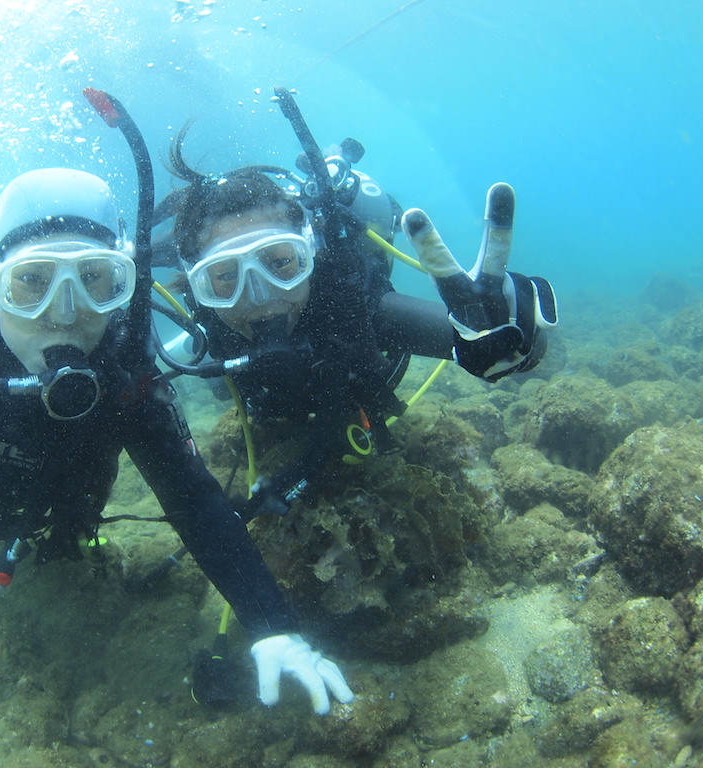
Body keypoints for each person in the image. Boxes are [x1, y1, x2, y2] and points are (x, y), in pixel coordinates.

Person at [0, 167, 355, 715]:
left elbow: (196, 503)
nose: (67, 313)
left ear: (122, 285)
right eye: (32, 281)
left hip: (37, 506)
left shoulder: (126, 380)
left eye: (97, 280)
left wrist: (272, 625)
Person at [160, 121, 558, 519]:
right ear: (198, 287)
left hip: (350, 398)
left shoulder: (355, 306)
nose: (261, 297)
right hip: (261, 395)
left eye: (280, 263)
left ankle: (337, 159)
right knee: (215, 385)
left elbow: (484, 340)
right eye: (226, 277)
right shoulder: (208, 334)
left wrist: (507, 341)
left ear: (310, 254)